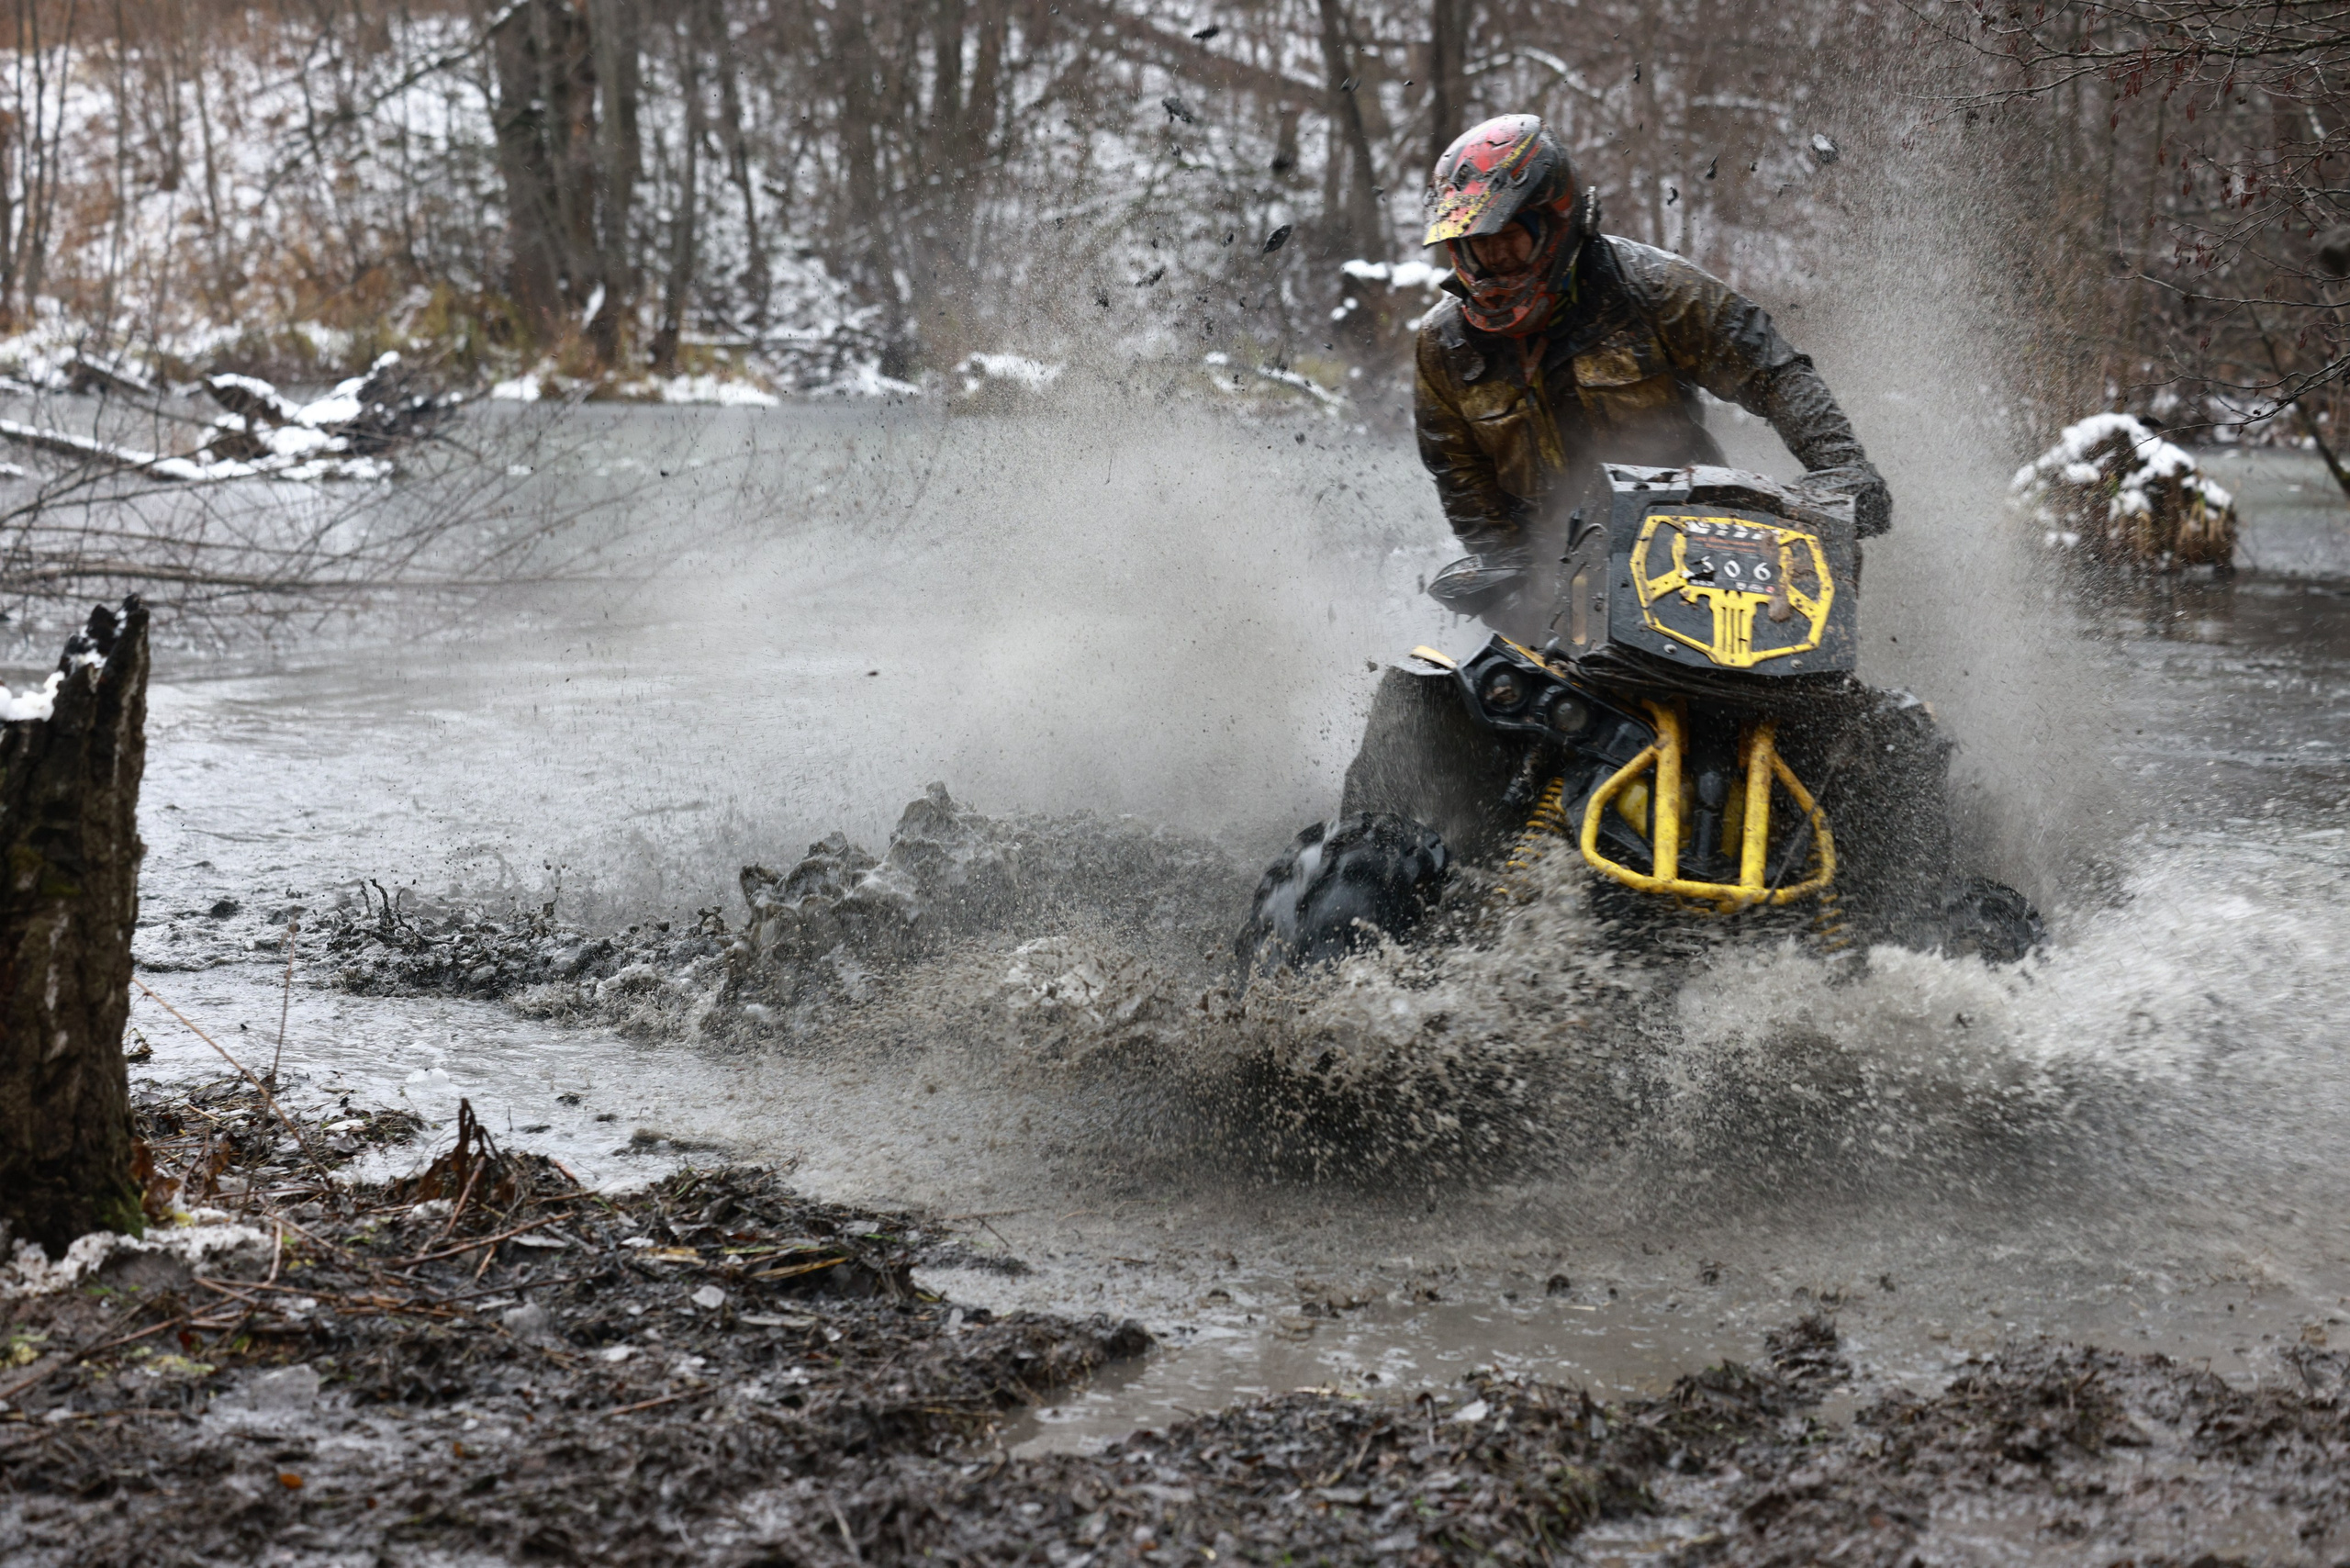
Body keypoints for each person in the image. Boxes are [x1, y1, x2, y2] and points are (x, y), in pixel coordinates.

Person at [1414, 113, 1888, 638]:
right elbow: (1459, 473)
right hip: (1554, 571)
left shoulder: (1652, 287)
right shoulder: (1443, 346)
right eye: (1480, 243)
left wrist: (1839, 466)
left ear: (1553, 222)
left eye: (1511, 237)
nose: (1496, 259)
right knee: (1461, 699)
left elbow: (1772, 369)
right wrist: (1508, 572)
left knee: (1809, 689)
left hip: (1691, 546)